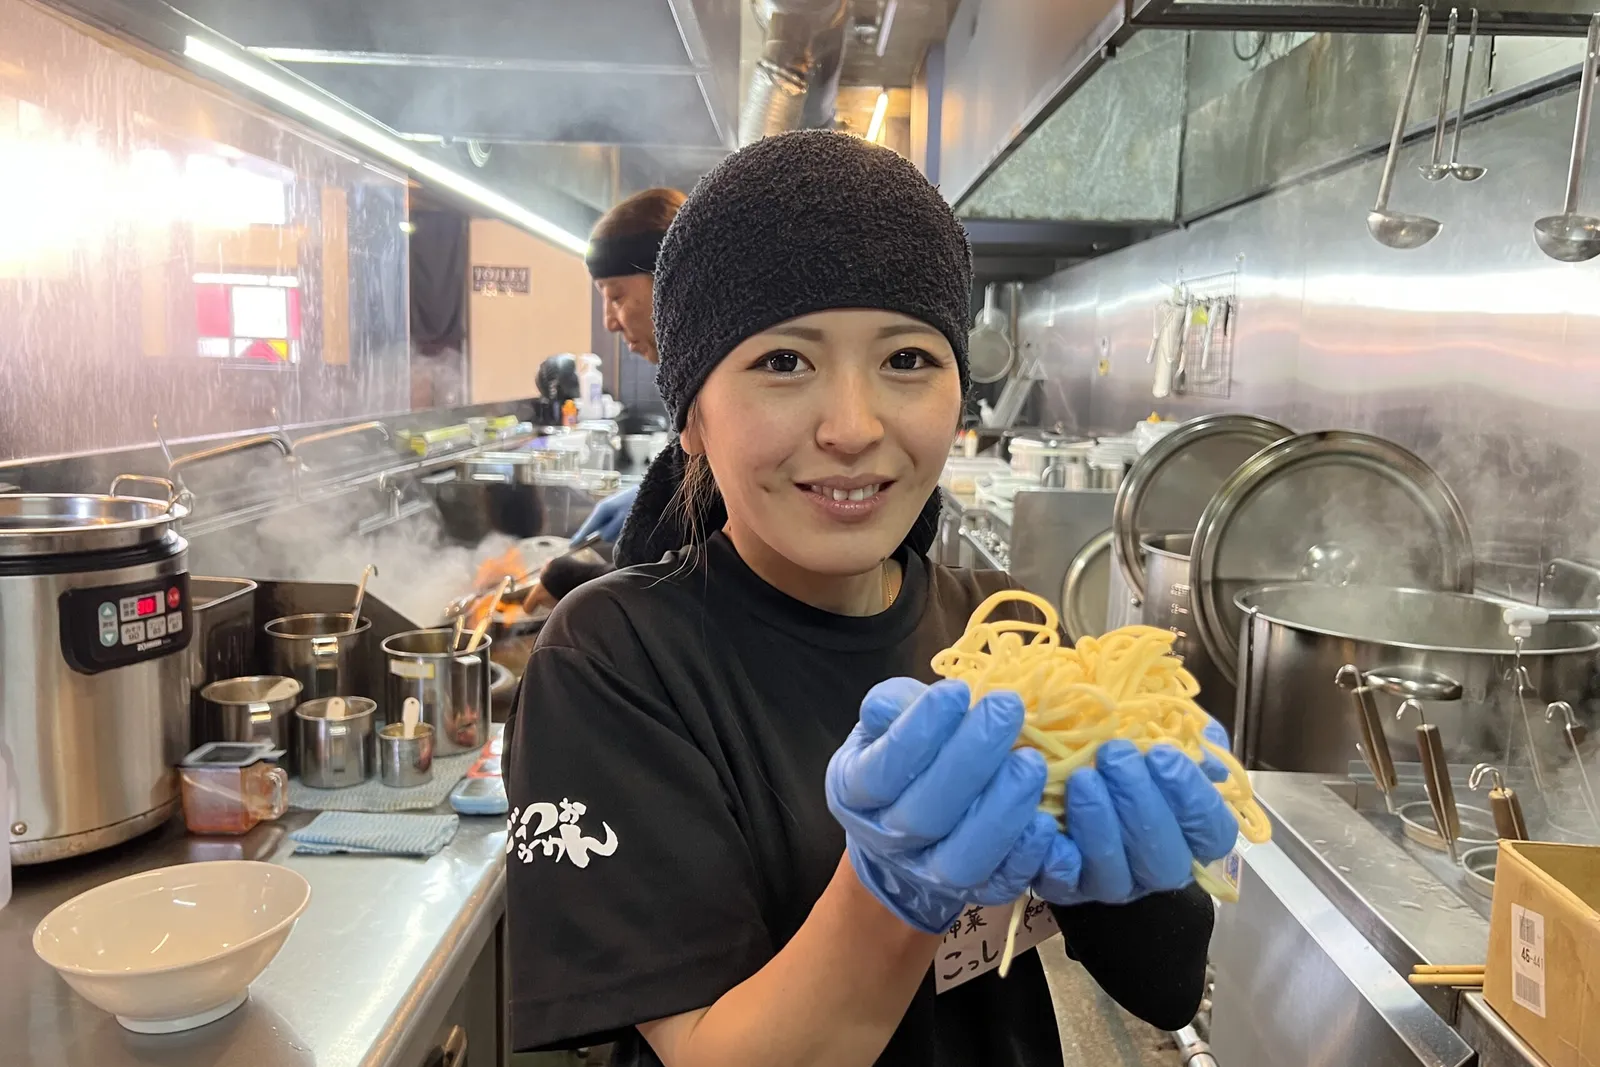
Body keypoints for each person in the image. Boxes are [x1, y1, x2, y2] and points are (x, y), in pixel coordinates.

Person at [504, 132, 1235, 1067]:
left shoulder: (1003, 629)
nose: (853, 428)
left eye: (906, 360)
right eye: (782, 363)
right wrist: (891, 889)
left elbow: (1163, 989)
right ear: (692, 411)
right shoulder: (614, 658)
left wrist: (1147, 888)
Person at [574, 186, 687, 544]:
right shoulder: (687, 382)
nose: (609, 321)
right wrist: (653, 500)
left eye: (616, 296)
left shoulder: (723, 386)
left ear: (668, 282)